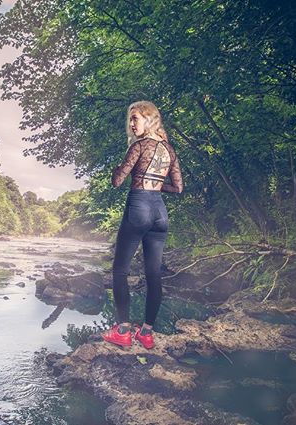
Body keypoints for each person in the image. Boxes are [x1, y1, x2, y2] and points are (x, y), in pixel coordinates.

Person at [102, 100, 183, 349]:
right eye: (130, 119)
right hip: (160, 212)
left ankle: (123, 330)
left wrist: (117, 170)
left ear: (149, 119)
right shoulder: (168, 150)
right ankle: (147, 333)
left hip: (139, 206)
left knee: (120, 270)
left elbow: (118, 180)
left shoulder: (139, 146)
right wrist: (157, 185)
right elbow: (178, 188)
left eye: (135, 118)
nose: (131, 123)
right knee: (153, 274)